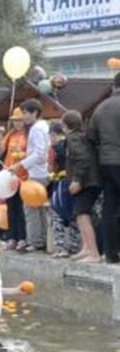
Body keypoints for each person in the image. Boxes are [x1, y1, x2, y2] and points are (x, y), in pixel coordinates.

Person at [10, 99, 51, 253]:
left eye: (26, 113)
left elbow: (40, 154)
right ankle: (42, 239)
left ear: (35, 113)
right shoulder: (42, 127)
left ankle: (34, 241)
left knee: (30, 208)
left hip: (37, 174)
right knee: (39, 208)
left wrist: (20, 164)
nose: (24, 117)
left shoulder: (37, 129)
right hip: (39, 172)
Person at [88, 73, 120, 264]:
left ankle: (110, 253)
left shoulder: (100, 108)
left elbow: (91, 136)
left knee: (110, 206)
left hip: (105, 163)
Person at [65, 110, 102, 263]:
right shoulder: (83, 136)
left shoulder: (73, 139)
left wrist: (77, 180)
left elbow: (82, 159)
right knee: (80, 214)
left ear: (65, 126)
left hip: (87, 182)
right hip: (92, 181)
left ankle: (93, 253)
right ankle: (86, 247)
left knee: (83, 214)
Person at [48, 123, 80, 258]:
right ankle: (74, 247)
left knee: (56, 215)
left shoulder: (54, 148)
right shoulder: (73, 145)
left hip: (59, 184)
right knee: (74, 215)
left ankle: (60, 247)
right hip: (73, 182)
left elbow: (50, 167)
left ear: (53, 135)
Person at [0, 108, 28, 251]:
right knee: (11, 208)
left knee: (21, 208)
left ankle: (23, 237)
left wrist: (21, 155)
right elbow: (1, 150)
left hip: (23, 176)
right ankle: (11, 237)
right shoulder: (10, 135)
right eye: (15, 121)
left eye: (19, 120)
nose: (17, 123)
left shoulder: (28, 135)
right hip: (9, 175)